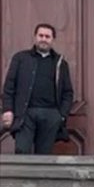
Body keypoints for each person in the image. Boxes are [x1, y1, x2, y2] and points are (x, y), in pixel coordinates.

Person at [1, 23, 74, 154]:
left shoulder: (60, 63)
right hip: (25, 113)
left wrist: (61, 116)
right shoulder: (20, 58)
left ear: (53, 40)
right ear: (35, 37)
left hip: (51, 115)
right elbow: (9, 87)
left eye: (47, 36)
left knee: (44, 155)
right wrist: (7, 109)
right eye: (41, 35)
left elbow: (67, 92)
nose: (43, 39)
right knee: (21, 150)